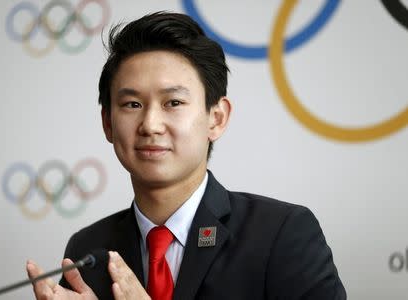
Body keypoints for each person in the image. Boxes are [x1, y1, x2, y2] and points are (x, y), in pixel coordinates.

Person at [26, 11, 347, 300]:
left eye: (173, 103)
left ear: (216, 118)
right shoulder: (89, 249)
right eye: (132, 104)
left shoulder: (281, 234)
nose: (150, 124)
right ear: (108, 123)